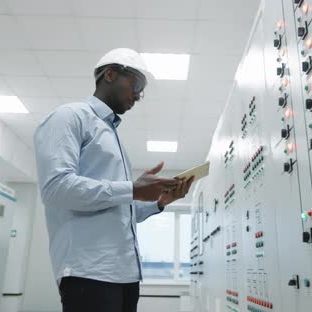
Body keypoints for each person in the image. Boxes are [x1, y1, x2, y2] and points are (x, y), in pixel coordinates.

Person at [33, 48, 195, 312]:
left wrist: (158, 203)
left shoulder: (110, 133)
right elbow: (56, 189)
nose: (138, 96)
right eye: (136, 85)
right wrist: (131, 189)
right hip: (89, 273)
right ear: (110, 74)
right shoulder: (70, 116)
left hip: (125, 274)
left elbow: (116, 208)